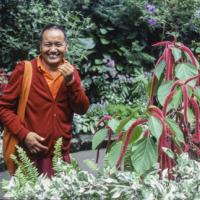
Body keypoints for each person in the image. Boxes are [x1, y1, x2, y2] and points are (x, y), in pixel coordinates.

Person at [0, 24, 90, 176]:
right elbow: (3, 108)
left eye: (58, 44)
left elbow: (82, 109)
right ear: (40, 46)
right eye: (48, 44)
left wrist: (71, 82)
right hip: (30, 157)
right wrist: (24, 134)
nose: (53, 50)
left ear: (66, 47)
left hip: (60, 157)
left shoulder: (71, 72)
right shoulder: (25, 70)